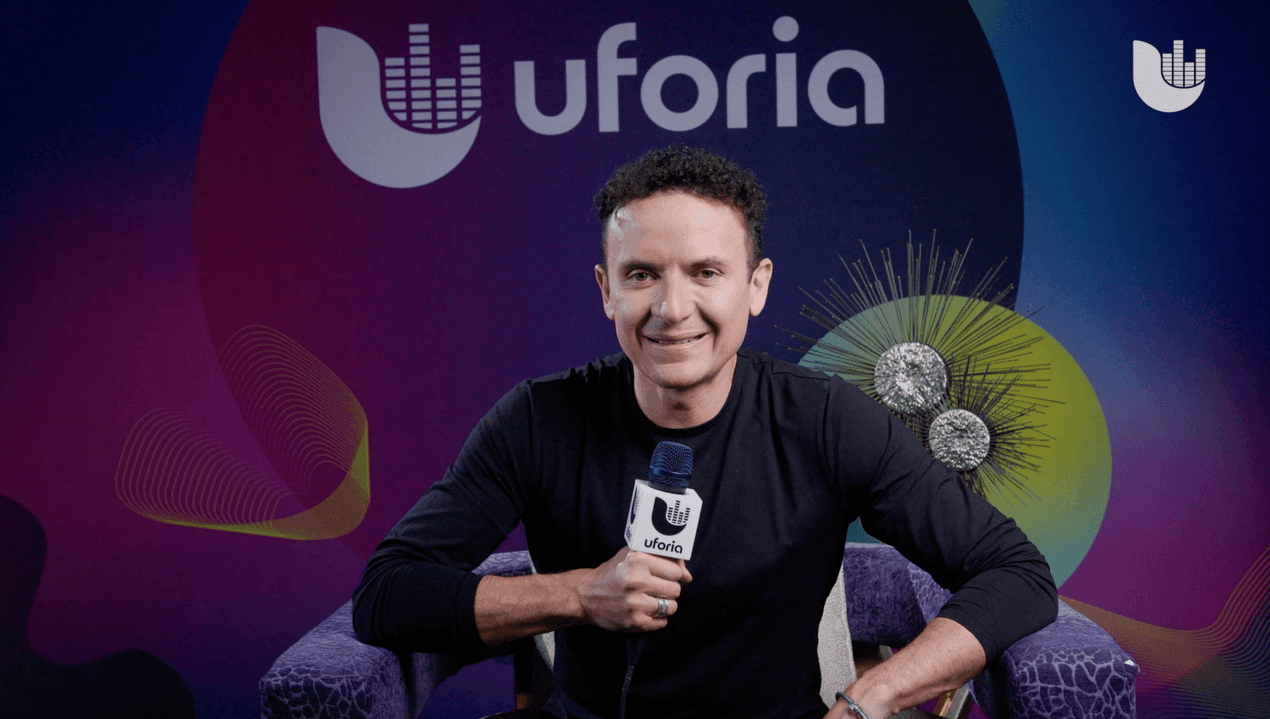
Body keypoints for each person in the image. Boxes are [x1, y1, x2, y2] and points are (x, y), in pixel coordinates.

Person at [352, 145, 1057, 719]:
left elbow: (1015, 573)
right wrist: (580, 595)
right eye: (641, 274)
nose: (672, 306)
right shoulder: (539, 419)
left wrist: (870, 696)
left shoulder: (826, 419)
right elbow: (387, 593)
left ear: (756, 284)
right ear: (606, 290)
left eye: (705, 272)